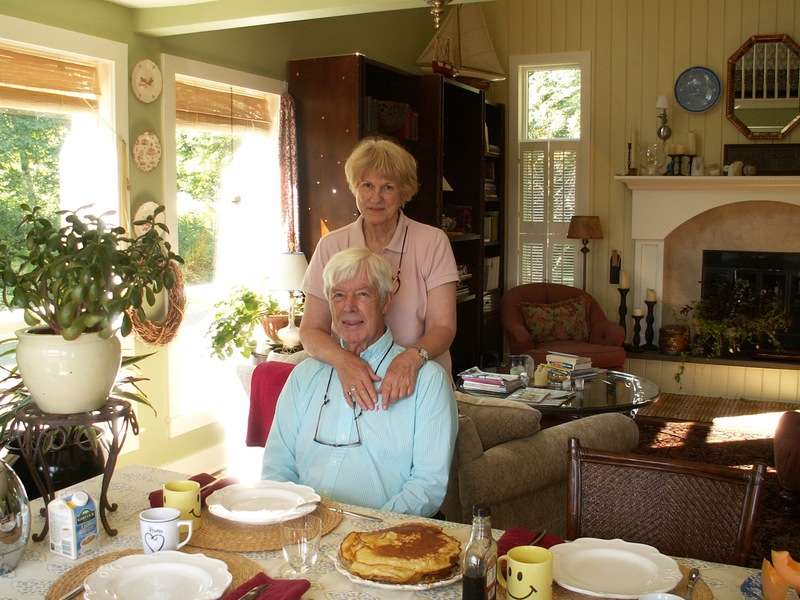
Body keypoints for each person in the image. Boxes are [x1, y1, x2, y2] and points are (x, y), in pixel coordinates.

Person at [262, 248, 457, 518]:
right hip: (302, 526)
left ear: (386, 301)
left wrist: (370, 530)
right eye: (338, 295)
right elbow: (277, 467)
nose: (349, 306)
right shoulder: (303, 376)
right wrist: (297, 521)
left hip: (382, 533)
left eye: (363, 294)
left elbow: (427, 486)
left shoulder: (428, 382)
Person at [299, 137, 459, 410]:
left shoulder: (432, 242)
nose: (376, 198)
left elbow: (443, 327)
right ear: (355, 187)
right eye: (367, 185)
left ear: (403, 191)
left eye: (387, 187)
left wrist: (410, 359)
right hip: (350, 385)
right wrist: (344, 362)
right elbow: (311, 330)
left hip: (420, 382)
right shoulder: (331, 245)